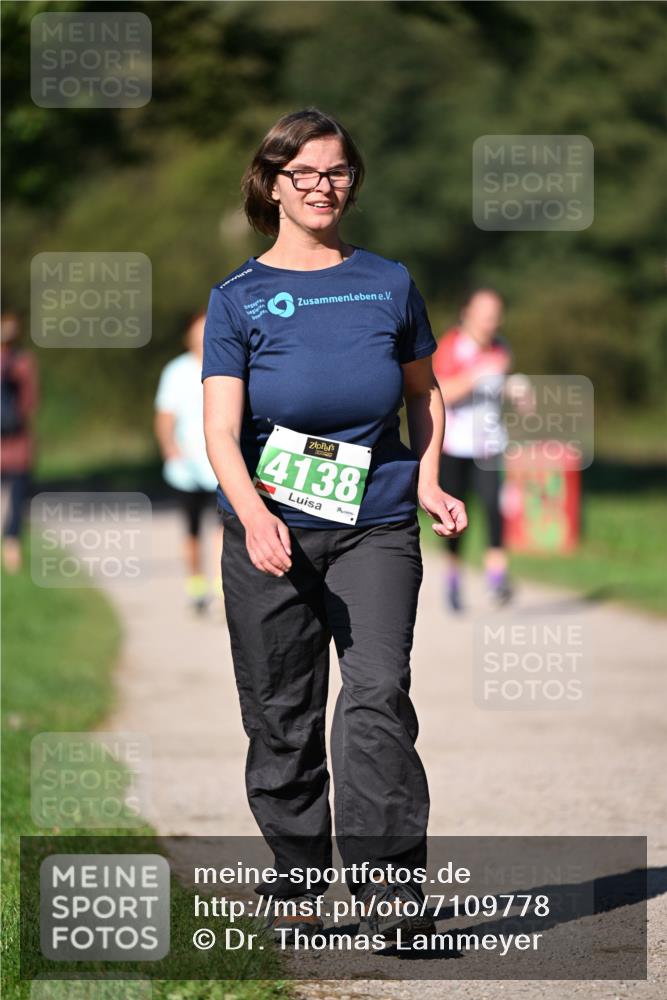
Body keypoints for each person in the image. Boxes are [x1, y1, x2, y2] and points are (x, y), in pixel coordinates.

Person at [202, 108, 467, 942]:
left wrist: (425, 478)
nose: (323, 187)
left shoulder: (387, 281)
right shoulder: (237, 298)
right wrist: (252, 514)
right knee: (281, 708)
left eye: (338, 171)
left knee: (379, 692)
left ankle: (388, 893)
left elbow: (423, 392)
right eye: (305, 173)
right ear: (272, 184)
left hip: (374, 522)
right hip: (271, 528)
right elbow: (219, 428)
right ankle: (298, 877)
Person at [432, 289, 512, 611]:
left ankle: (497, 578)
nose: (490, 320)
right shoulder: (451, 346)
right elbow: (442, 394)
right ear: (467, 312)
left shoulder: (501, 348)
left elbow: (497, 391)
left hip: (489, 445)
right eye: (484, 312)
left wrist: (517, 393)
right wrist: (478, 374)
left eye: (495, 313)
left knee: (494, 508)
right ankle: (453, 578)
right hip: (455, 445)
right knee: (456, 521)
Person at [154, 312, 222, 614]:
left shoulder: (228, 365)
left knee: (226, 528)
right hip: (187, 466)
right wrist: (169, 447)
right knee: (192, 529)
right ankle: (196, 586)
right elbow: (165, 416)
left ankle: (223, 588)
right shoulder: (176, 371)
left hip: (221, 463)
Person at [1, 312, 39, 574]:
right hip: (17, 445)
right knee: (16, 500)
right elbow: (30, 402)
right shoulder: (23, 362)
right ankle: (12, 554)